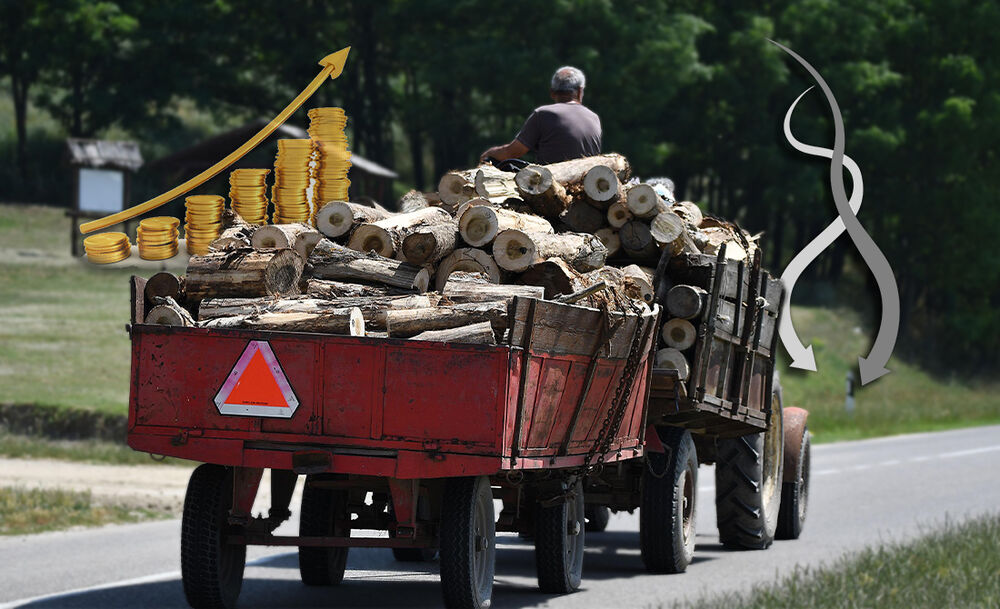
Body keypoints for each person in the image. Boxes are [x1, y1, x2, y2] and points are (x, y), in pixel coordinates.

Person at [480, 66, 601, 167]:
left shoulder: (543, 114)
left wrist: (490, 153)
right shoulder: (594, 117)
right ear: (580, 91)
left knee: (492, 161)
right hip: (587, 185)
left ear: (552, 93)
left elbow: (513, 152)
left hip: (552, 186)